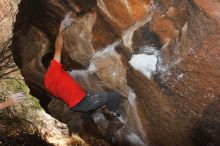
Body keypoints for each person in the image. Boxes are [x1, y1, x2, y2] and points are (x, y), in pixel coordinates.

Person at [43, 13, 120, 118]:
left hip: (75, 105)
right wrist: (60, 30)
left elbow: (62, 92)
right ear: (51, 63)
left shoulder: (48, 83)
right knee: (114, 96)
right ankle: (110, 112)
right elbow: (58, 48)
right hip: (83, 102)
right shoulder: (54, 69)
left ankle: (86, 117)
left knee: (88, 108)